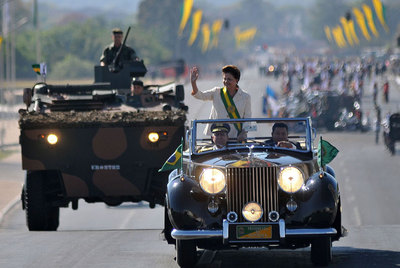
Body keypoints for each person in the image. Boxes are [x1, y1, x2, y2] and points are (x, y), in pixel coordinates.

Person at [190, 65, 251, 142]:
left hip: (236, 137)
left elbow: (248, 119)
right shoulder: (217, 92)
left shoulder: (245, 97)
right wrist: (193, 83)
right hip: (217, 137)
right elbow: (200, 95)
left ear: (236, 80)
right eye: (224, 79)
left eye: (229, 79)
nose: (226, 82)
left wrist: (243, 133)